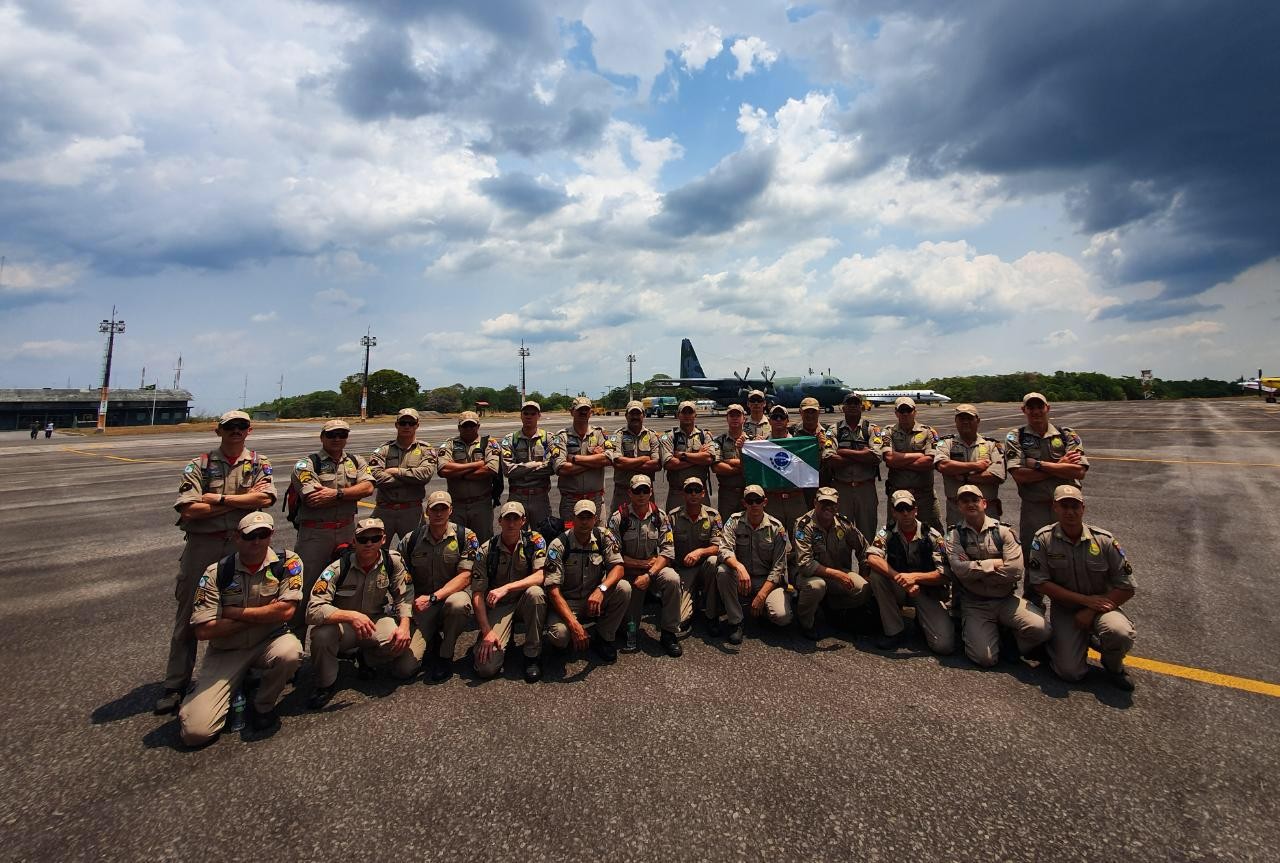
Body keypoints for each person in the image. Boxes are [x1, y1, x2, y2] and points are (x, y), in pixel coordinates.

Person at [156, 409, 276, 715]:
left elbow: (265, 499)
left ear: (249, 430)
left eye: (241, 426)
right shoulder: (199, 465)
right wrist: (243, 501)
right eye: (230, 426)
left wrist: (218, 499)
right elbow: (189, 510)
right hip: (204, 545)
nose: (236, 430)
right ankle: (176, 683)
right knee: (189, 614)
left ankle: (243, 670)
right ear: (218, 430)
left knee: (244, 606)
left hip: (243, 546)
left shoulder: (259, 463)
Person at [178, 512, 303, 745]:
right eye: (249, 536)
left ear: (271, 535)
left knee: (291, 652)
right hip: (228, 651)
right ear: (237, 537)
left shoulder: (286, 562)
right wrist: (265, 612)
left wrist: (234, 613)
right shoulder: (217, 572)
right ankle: (208, 691)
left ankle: (263, 705)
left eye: (263, 534)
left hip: (268, 641)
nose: (256, 541)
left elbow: (286, 612)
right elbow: (204, 631)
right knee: (196, 734)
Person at [1028, 486, 1136, 690]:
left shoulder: (1104, 540)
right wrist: (1084, 601)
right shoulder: (1043, 539)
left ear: (1083, 508)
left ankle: (1113, 666)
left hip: (1102, 607)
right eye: (1064, 506)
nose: (1070, 511)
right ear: (1055, 508)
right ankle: (1070, 641)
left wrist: (1090, 610)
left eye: (1075, 506)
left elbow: (1127, 586)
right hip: (1066, 609)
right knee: (1070, 673)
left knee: (1119, 632)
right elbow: (1040, 583)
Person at [305, 518, 416, 709]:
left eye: (375, 538)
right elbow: (313, 609)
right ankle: (325, 684)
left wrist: (405, 625)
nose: (369, 543)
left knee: (398, 640)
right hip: (344, 626)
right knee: (322, 636)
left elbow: (405, 594)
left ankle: (366, 658)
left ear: (383, 539)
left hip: (374, 621)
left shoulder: (392, 561)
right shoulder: (337, 568)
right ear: (354, 541)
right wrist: (351, 616)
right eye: (363, 539)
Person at [288, 419, 375, 644]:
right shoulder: (306, 464)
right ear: (322, 437)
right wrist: (352, 492)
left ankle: (341, 644)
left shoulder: (356, 461)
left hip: (347, 530)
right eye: (331, 435)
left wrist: (335, 494)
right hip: (315, 536)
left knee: (346, 587)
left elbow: (368, 487)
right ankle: (295, 646)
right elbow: (312, 497)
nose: (337, 439)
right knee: (304, 592)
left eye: (341, 434)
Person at [943, 485, 1048, 667]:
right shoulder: (954, 535)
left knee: (1042, 630)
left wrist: (975, 571)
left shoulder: (1003, 532)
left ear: (984, 503)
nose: (970, 504)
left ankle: (1011, 643)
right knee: (985, 659)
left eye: (975, 500)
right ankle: (991, 634)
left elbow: (1015, 571)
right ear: (958, 506)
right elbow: (959, 570)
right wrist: (995, 563)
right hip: (975, 603)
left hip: (1005, 599)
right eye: (965, 501)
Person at [398, 490, 479, 682]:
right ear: (427, 511)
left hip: (449, 597)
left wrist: (434, 597)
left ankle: (445, 655)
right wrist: (405, 612)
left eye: (443, 508)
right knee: (404, 669)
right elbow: (399, 577)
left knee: (459, 604)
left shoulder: (466, 536)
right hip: (422, 604)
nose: (439, 513)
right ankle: (432, 636)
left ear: (451, 510)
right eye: (435, 509)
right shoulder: (411, 539)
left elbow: (465, 576)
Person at [866, 490, 955, 655]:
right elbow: (872, 558)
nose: (905, 513)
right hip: (900, 587)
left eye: (909, 508)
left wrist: (914, 577)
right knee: (877, 576)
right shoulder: (887, 532)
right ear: (893, 512)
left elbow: (945, 574)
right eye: (900, 509)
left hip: (926, 590)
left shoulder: (932, 535)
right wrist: (900, 578)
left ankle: (921, 621)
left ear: (916, 510)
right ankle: (894, 631)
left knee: (944, 646)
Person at [543, 500, 632, 663]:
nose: (584, 522)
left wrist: (601, 589)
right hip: (568, 602)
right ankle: (569, 638)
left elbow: (619, 568)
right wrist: (574, 625)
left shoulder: (603, 536)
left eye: (588, 517)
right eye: (581, 517)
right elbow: (553, 591)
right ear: (573, 518)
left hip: (594, 596)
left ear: (595, 519)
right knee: (560, 636)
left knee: (623, 588)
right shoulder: (559, 545)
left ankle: (604, 637)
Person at [608, 475, 682, 657]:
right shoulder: (619, 518)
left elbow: (667, 552)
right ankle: (625, 627)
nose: (641, 495)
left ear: (651, 492)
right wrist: (640, 564)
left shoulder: (660, 517)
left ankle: (669, 633)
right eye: (637, 491)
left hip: (652, 570)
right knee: (628, 627)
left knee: (672, 578)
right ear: (629, 493)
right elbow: (613, 556)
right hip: (629, 573)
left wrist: (650, 574)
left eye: (645, 490)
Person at [472, 501, 547, 682]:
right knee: (486, 667)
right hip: (500, 607)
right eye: (507, 519)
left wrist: (506, 587)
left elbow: (540, 576)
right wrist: (486, 631)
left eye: (516, 518)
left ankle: (532, 655)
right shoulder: (486, 549)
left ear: (523, 521)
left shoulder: (535, 541)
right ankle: (499, 634)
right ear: (500, 521)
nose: (511, 523)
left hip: (525, 601)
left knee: (536, 593)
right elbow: (477, 594)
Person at [1005, 392, 1089, 554]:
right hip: (1035, 508)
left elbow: (1079, 471)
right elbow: (1020, 475)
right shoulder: (1016, 437)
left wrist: (1039, 465)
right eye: (1031, 407)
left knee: (1070, 553)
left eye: (1040, 407)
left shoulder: (1066, 435)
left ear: (1047, 408)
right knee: (1033, 555)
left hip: (1067, 508)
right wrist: (1060, 466)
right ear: (1024, 410)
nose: (1036, 411)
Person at [791, 487, 871, 639]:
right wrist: (838, 575)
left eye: (832, 504)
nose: (828, 507)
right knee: (816, 586)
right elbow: (805, 565)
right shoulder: (803, 526)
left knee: (864, 588)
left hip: (836, 573)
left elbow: (864, 549)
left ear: (837, 505)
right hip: (807, 575)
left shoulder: (843, 524)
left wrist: (865, 573)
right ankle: (805, 622)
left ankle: (832, 606)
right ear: (815, 503)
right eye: (824, 503)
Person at [718, 485, 792, 643]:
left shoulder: (776, 527)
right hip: (741, 578)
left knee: (782, 617)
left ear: (765, 502)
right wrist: (739, 567)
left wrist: (762, 595)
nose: (754, 504)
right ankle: (736, 621)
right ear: (744, 503)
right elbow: (724, 549)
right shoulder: (734, 521)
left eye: (758, 500)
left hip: (766, 580)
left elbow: (779, 567)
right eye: (750, 501)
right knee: (723, 571)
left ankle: (764, 611)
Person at [368, 407, 436, 543]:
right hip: (384, 510)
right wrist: (411, 479)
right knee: (375, 550)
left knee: (415, 550)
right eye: (403, 423)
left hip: (411, 511)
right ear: (396, 425)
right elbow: (374, 476)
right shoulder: (383, 449)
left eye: (411, 423)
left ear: (417, 425)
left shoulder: (426, 449)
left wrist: (396, 471)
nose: (407, 426)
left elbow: (425, 475)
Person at [667, 476, 724, 633]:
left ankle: (712, 615)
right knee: (680, 619)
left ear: (703, 494)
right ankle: (694, 600)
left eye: (697, 490)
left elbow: (719, 546)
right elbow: (666, 547)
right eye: (689, 490)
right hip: (684, 570)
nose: (693, 494)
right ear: (683, 494)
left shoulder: (713, 516)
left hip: (705, 567)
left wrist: (700, 552)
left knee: (713, 562)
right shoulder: (673, 517)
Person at [934, 404, 1006, 527]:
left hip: (987, 509)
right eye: (961, 419)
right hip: (956, 510)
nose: (965, 422)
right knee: (956, 539)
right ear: (956, 421)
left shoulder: (992, 445)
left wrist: (965, 477)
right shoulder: (946, 443)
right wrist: (976, 466)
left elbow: (997, 475)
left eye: (970, 418)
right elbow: (943, 466)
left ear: (978, 420)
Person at [825, 392, 883, 542]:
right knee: (841, 538)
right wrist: (862, 454)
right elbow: (829, 459)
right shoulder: (834, 429)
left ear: (861, 407)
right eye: (849, 403)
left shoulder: (871, 429)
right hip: (842, 490)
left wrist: (843, 452)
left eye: (856, 403)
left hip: (865, 490)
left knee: (867, 537)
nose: (852, 406)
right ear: (843, 408)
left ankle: (866, 559)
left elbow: (876, 457)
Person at [436, 410, 502, 543]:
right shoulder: (450, 444)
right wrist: (477, 464)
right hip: (457, 505)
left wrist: (458, 472)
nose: (468, 428)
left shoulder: (488, 443)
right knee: (455, 543)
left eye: (472, 425)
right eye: (465, 425)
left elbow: (491, 469)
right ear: (459, 427)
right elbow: (443, 469)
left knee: (484, 544)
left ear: (478, 426)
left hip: (481, 504)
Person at [880, 397, 943, 534]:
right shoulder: (888, 431)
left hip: (924, 496)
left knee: (931, 533)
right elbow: (889, 459)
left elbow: (930, 462)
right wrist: (918, 455)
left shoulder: (929, 432)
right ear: (896, 413)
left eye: (908, 410)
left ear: (915, 412)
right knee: (895, 535)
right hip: (898, 495)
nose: (905, 414)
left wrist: (900, 462)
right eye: (902, 410)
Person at [500, 401, 559, 535]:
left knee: (544, 536)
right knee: (515, 536)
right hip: (517, 496)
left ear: (539, 416)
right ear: (521, 415)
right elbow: (508, 470)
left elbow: (552, 467)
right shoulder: (510, 439)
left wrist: (521, 471)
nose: (529, 416)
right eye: (526, 413)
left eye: (533, 414)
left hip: (540, 497)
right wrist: (532, 465)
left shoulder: (548, 438)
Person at [555, 397, 612, 526]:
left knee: (599, 535)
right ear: (571, 412)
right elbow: (562, 468)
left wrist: (575, 458)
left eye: (586, 410)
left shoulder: (599, 434)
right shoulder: (562, 436)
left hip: (596, 500)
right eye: (579, 410)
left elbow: (608, 459)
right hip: (571, 502)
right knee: (570, 535)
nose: (583, 412)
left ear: (590, 412)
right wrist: (594, 461)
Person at [761, 405, 809, 536]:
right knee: (770, 542)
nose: (778, 420)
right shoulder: (760, 444)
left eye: (781, 417)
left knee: (800, 540)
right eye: (775, 417)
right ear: (769, 421)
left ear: (787, 420)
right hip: (772, 499)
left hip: (795, 498)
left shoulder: (799, 444)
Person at [659, 401, 715, 511]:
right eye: (684, 412)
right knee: (674, 521)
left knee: (704, 520)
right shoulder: (669, 436)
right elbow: (670, 464)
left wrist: (682, 455)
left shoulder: (704, 435)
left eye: (690, 412)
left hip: (699, 492)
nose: (687, 415)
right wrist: (698, 456)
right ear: (678, 415)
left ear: (695, 415)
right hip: (677, 493)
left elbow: (709, 459)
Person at [606, 400, 660, 512]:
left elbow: (656, 464)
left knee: (648, 521)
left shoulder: (652, 435)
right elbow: (618, 462)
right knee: (619, 521)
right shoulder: (618, 435)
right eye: (632, 413)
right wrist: (644, 459)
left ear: (643, 415)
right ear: (626, 416)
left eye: (638, 413)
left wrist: (627, 464)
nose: (635, 417)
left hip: (645, 492)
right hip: (623, 492)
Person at [710, 404, 749, 519]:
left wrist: (728, 461)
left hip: (748, 493)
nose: (735, 418)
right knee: (726, 525)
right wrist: (743, 467)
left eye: (738, 415)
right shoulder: (719, 441)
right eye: (732, 415)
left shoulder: (752, 441)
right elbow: (716, 467)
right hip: (727, 493)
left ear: (744, 419)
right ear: (726, 418)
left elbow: (754, 467)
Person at [796, 397, 836, 507]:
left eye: (813, 412)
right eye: (806, 412)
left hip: (824, 485)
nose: (810, 415)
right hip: (800, 488)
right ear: (800, 412)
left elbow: (832, 458)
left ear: (819, 412)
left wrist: (823, 446)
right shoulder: (792, 432)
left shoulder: (829, 432)